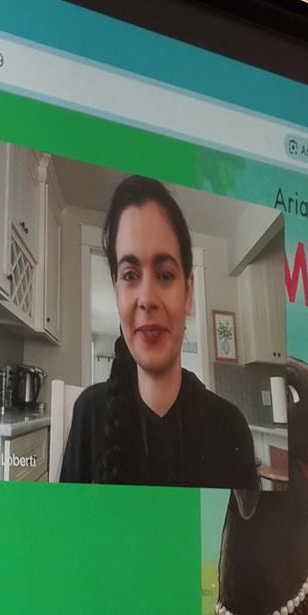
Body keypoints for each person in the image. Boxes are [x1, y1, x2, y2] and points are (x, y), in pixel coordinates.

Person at [58, 175, 257, 489]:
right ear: (116, 292)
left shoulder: (230, 428)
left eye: (165, 275)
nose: (147, 299)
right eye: (130, 275)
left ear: (188, 293)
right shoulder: (89, 415)